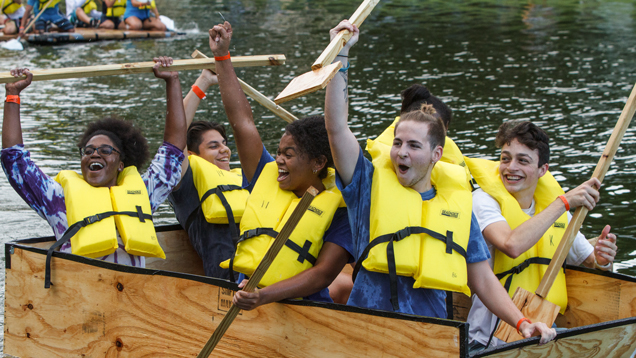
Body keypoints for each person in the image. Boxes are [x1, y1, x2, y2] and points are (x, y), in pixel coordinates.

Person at [324, 19, 555, 344]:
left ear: (436, 155)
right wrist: (341, 55)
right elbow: (336, 128)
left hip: (431, 339)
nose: (401, 152)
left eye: (414, 146)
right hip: (370, 334)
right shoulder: (368, 184)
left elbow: (483, 280)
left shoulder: (457, 204)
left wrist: (521, 323)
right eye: (398, 143)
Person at [204, 22, 354, 310]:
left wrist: (264, 296)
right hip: (246, 297)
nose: (279, 160)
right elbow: (243, 122)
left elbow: (322, 274)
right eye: (278, 152)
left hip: (304, 310)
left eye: (289, 154)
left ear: (318, 163)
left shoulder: (340, 211)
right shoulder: (266, 174)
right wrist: (222, 56)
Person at [1, 57, 186, 277]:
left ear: (121, 164)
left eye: (105, 151)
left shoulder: (145, 193)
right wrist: (12, 95)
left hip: (131, 299)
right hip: (82, 298)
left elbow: (173, 149)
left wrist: (172, 81)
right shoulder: (57, 198)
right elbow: (15, 160)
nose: (94, 154)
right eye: (88, 151)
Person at [464, 120, 618, 350]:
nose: (510, 167)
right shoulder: (483, 201)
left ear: (542, 170)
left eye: (522, 161)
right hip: (489, 339)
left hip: (543, 334)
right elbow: (511, 244)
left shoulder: (553, 210)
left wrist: (603, 259)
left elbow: (591, 261)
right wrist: (564, 202)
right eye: (505, 158)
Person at [168, 68, 248, 281]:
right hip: (231, 279)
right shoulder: (187, 185)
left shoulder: (245, 178)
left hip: (268, 268)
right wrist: (203, 82)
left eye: (224, 144)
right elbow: (175, 137)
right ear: (192, 154)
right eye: (213, 146)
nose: (224, 150)